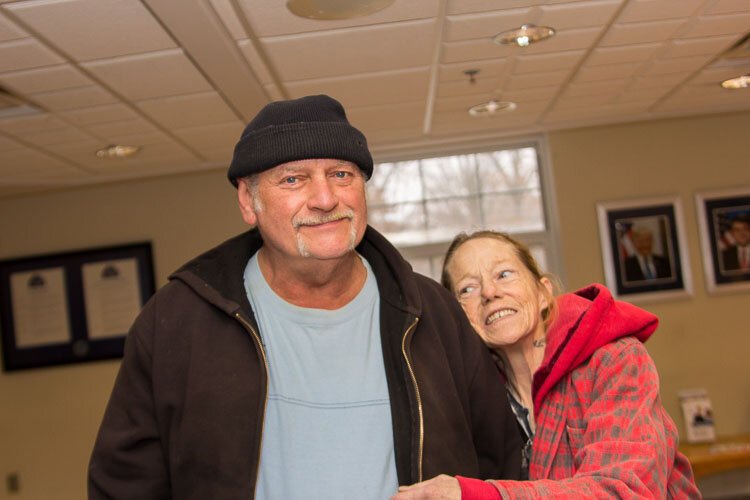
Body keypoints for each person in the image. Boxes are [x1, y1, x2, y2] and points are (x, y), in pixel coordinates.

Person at [88, 95, 521, 499]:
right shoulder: (178, 321)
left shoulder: (431, 312)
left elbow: (499, 464)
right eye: (293, 179)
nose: (325, 198)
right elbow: (125, 483)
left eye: (341, 174)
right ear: (247, 200)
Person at [392, 230, 699, 499]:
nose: (489, 292)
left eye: (504, 274)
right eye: (467, 289)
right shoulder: (475, 401)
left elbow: (627, 491)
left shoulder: (615, 361)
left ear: (543, 292)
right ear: (459, 318)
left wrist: (482, 495)